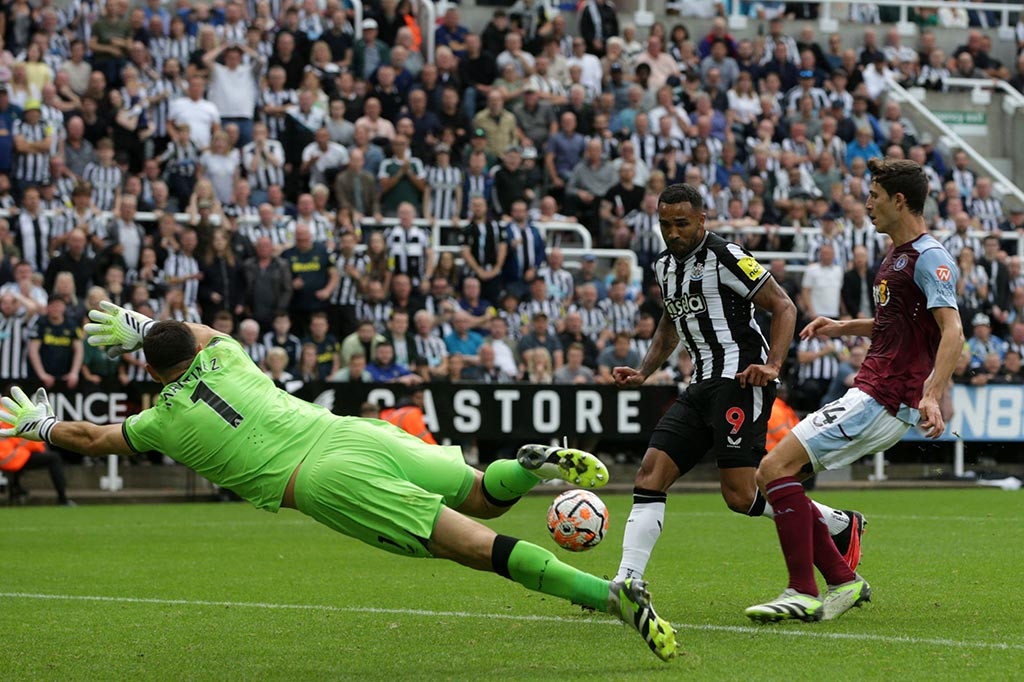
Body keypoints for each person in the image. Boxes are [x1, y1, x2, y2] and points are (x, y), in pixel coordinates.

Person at [0, 303, 678, 662]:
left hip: (324, 477)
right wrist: (142, 325)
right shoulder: (229, 354)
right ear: (194, 348)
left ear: (147, 371)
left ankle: (612, 596)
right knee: (479, 489)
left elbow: (90, 438)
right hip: (349, 431)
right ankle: (528, 464)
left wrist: (39, 425)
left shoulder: (158, 425)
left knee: (470, 543)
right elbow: (195, 333)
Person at [610, 183, 865, 591]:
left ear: (701, 220)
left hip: (741, 379)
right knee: (649, 474)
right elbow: (670, 323)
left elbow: (783, 305)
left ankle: (834, 524)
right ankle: (627, 581)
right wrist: (644, 370)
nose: (672, 233)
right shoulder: (663, 266)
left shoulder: (725, 256)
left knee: (741, 494)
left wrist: (773, 365)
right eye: (665, 225)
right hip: (700, 385)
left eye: (681, 223)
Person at [745, 159, 963, 623]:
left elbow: (953, 331)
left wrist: (931, 393)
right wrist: (842, 326)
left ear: (899, 200)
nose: (867, 206)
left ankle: (804, 588)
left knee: (772, 469)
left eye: (875, 197)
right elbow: (898, 323)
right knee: (777, 474)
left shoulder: (930, 257)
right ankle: (842, 574)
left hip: (885, 396)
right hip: (875, 390)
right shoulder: (896, 255)